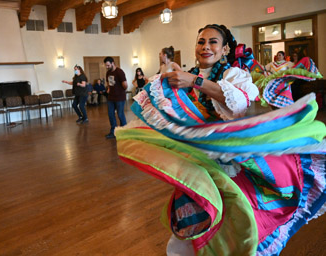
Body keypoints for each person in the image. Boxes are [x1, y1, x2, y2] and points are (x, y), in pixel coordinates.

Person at [116, 24, 325, 256]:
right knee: (193, 223)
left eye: (213, 42)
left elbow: (239, 103)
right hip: (198, 163)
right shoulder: (190, 74)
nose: (205, 47)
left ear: (225, 48)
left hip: (227, 165)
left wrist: (193, 82)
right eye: (201, 42)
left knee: (230, 221)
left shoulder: (233, 75)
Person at [103, 57, 127, 139]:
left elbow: (125, 85)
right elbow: (110, 83)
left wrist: (120, 90)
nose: (107, 67)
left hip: (120, 97)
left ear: (113, 63)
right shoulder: (108, 73)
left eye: (108, 65)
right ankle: (113, 132)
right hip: (111, 97)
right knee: (111, 114)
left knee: (120, 115)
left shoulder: (119, 72)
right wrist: (109, 89)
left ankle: (124, 132)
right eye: (106, 65)